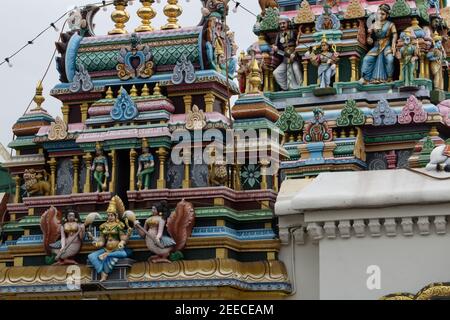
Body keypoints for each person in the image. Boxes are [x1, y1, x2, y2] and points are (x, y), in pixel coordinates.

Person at [88, 196, 131, 282]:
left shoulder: (119, 225)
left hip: (116, 249)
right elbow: (102, 240)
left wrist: (123, 241)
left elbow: (123, 238)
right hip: (106, 249)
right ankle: (102, 272)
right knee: (91, 256)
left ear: (116, 216)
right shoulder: (103, 226)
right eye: (108, 215)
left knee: (123, 254)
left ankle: (107, 255)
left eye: (112, 215)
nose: (110, 217)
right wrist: (96, 244)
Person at [360, 4, 397, 84]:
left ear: (387, 15)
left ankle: (389, 78)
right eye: (379, 13)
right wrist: (369, 38)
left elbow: (394, 34)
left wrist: (393, 45)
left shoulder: (390, 24)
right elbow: (369, 39)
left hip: (387, 45)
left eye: (383, 14)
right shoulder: (373, 25)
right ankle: (365, 78)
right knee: (366, 59)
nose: (380, 16)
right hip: (377, 46)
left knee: (390, 59)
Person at [272, 16, 302, 90]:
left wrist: (294, 53)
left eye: (283, 23)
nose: (282, 25)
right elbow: (276, 46)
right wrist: (275, 48)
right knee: (276, 73)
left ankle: (301, 86)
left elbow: (299, 43)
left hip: (294, 56)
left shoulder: (293, 32)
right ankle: (285, 88)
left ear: (288, 23)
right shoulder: (279, 35)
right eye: (280, 24)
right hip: (285, 57)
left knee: (296, 69)